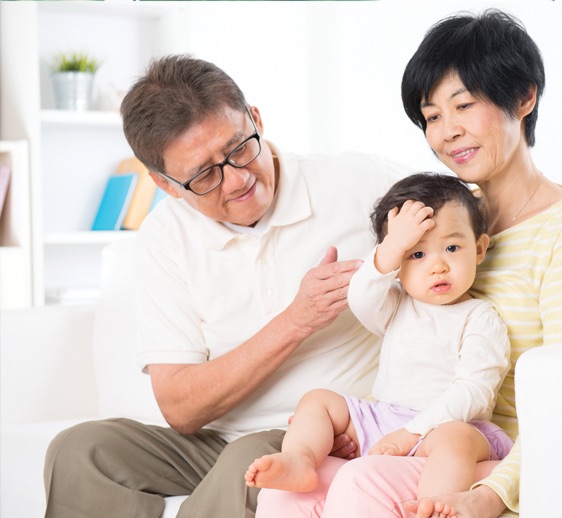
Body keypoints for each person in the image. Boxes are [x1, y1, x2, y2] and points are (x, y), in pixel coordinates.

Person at [255, 8, 562, 518]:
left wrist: (488, 495)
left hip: (497, 458)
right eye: (432, 117)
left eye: (463, 105)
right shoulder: (449, 221)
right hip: (418, 435)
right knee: (286, 490)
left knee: (362, 484)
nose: (448, 132)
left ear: (523, 97)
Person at [42, 55, 409, 518]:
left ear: (255, 118)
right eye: (204, 175)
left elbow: (467, 220)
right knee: (81, 450)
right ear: (165, 184)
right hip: (212, 443)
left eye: (240, 148)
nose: (237, 180)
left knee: (247, 460)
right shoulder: (165, 235)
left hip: (323, 435)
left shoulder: (360, 181)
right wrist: (296, 321)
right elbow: (180, 406)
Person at [245, 173, 512, 499]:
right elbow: (361, 294)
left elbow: (474, 391)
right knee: (317, 400)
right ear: (397, 265)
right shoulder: (396, 304)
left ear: (480, 248)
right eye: (417, 254)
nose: (438, 266)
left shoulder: (480, 318)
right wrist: (394, 245)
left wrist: (412, 432)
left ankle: (432, 503)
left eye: (452, 247)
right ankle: (300, 459)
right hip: (385, 420)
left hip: (445, 427)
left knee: (455, 438)